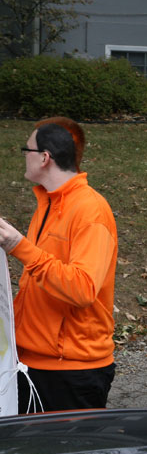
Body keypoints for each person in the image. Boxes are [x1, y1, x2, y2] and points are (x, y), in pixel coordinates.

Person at [0, 117, 118, 413]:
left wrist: (19, 246)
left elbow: (81, 289)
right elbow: (39, 281)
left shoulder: (90, 211)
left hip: (73, 372)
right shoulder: (48, 202)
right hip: (32, 364)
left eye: (26, 150)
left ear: (44, 158)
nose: (23, 156)